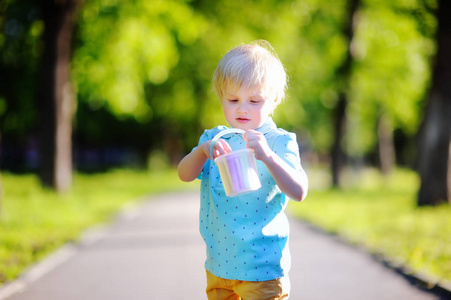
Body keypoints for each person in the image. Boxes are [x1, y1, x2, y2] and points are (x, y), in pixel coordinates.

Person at [177, 40, 308, 300]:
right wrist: (202, 151)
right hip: (219, 264)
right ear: (221, 97)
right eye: (233, 99)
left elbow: (299, 190)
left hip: (263, 267)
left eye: (254, 100)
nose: (242, 108)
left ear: (274, 101)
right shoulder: (215, 138)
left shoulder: (279, 141)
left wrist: (268, 157)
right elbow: (184, 174)